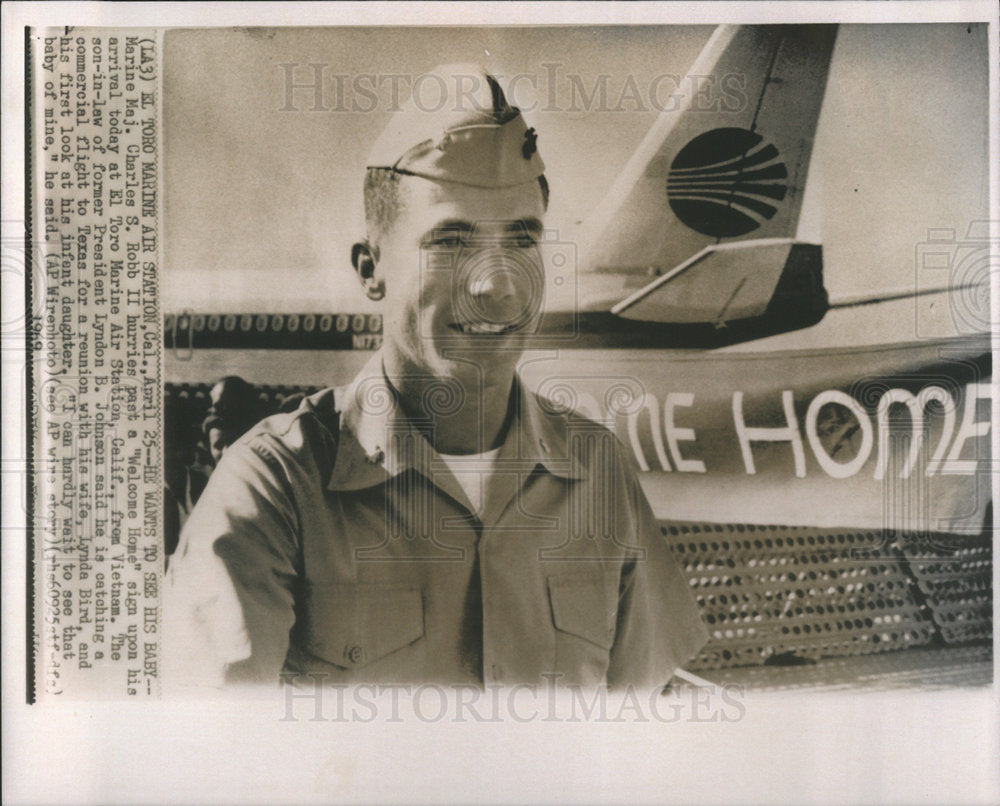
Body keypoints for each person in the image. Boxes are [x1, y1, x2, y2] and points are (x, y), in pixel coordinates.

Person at [165, 64, 707, 690]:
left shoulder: (599, 472)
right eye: (450, 242)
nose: (498, 285)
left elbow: (633, 747)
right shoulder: (275, 489)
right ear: (371, 269)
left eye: (523, 241)